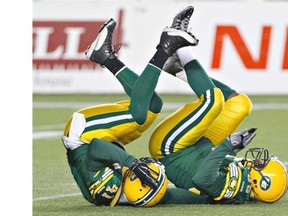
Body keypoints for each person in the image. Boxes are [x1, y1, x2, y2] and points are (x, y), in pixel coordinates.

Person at [62, 7, 213, 207]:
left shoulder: (106, 187)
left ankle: (166, 47)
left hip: (81, 135)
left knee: (138, 115)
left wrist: (132, 163)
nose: (150, 167)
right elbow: (166, 196)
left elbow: (97, 148)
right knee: (153, 105)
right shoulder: (137, 195)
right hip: (96, 140)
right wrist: (211, 198)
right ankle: (106, 58)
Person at [149, 6, 288, 204]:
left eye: (261, 165)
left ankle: (179, 44)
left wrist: (228, 145)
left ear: (260, 182)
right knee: (241, 104)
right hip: (197, 145)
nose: (258, 161)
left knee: (213, 101)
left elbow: (201, 179)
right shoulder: (244, 183)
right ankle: (176, 68)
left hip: (171, 148)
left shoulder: (230, 191)